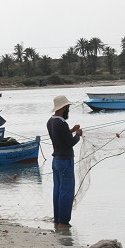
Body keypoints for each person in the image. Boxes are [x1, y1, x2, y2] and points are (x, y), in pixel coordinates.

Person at [46, 95, 83, 229]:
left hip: (56, 160)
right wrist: (77, 134)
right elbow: (70, 142)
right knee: (66, 192)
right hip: (65, 161)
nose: (68, 110)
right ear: (63, 108)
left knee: (58, 190)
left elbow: (60, 136)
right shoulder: (62, 123)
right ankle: (63, 222)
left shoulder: (50, 121)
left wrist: (71, 130)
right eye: (68, 107)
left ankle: (57, 220)